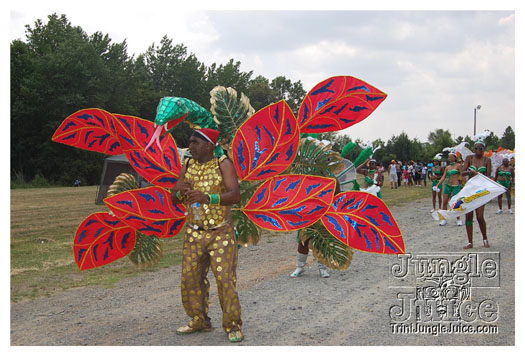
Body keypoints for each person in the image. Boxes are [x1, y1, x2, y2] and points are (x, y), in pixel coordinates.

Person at [171, 128, 244, 343]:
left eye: (194, 142)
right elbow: (173, 197)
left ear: (208, 146)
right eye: (190, 142)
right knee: (190, 279)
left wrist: (208, 198)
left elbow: (235, 195)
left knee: (224, 280)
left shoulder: (223, 164)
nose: (190, 146)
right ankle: (199, 319)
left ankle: (232, 325)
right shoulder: (187, 165)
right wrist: (179, 192)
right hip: (193, 232)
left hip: (220, 232)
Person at [461, 141, 492, 249]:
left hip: (481, 190)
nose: (478, 150)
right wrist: (470, 173)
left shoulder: (487, 160)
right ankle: (470, 242)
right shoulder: (469, 158)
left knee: (479, 216)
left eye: (480, 148)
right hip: (470, 189)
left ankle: (485, 239)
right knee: (468, 215)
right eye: (476, 148)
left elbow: (488, 175)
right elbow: (462, 172)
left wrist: (481, 175)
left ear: (483, 149)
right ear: (474, 149)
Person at [434, 152, 463, 226]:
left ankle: (458, 219)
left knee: (456, 204)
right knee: (445, 202)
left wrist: (463, 184)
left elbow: (462, 175)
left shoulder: (458, 166)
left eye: (452, 157)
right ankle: (444, 219)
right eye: (449, 157)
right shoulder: (447, 167)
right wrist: (437, 185)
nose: (450, 158)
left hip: (456, 186)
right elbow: (443, 177)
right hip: (447, 185)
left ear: (455, 158)